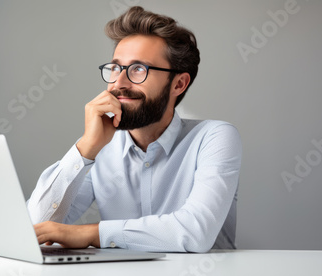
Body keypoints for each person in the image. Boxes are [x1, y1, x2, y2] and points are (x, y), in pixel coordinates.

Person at [26, 6, 242, 253]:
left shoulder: (214, 138)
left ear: (179, 84)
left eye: (139, 69)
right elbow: (34, 228)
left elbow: (195, 233)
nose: (119, 83)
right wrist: (86, 148)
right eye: (116, 68)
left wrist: (89, 233)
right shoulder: (100, 147)